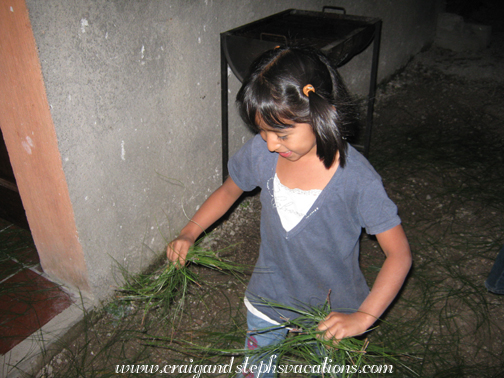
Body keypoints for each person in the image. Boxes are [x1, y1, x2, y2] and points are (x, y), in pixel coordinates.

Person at [167, 46, 412, 377]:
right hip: (270, 295)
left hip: (331, 308)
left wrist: (362, 317)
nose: (270, 144)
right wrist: (189, 231)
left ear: (325, 113)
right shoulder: (263, 154)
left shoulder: (357, 181)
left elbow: (399, 255)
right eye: (262, 131)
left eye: (281, 134)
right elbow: (229, 190)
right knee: (254, 371)